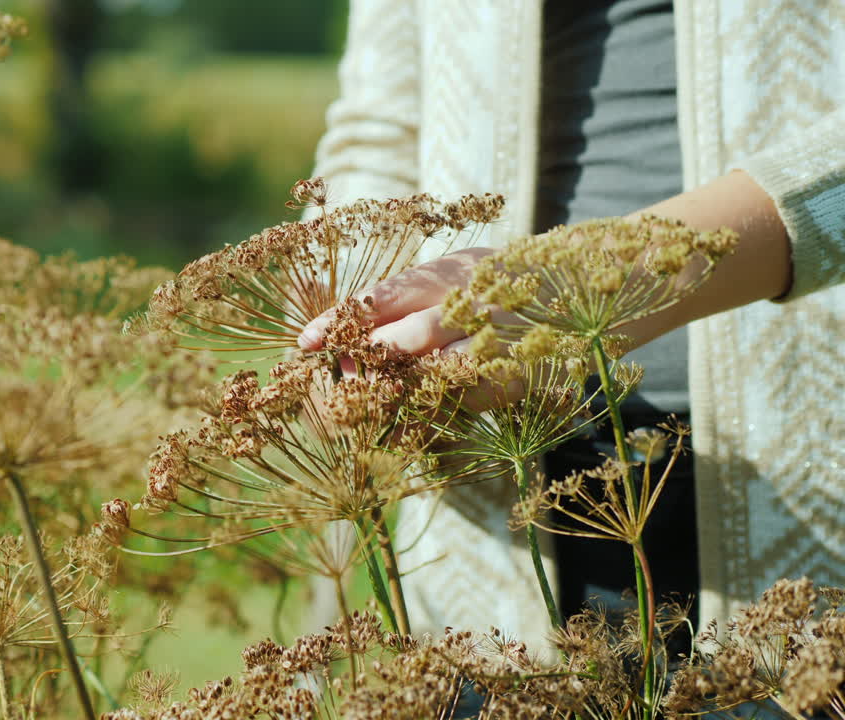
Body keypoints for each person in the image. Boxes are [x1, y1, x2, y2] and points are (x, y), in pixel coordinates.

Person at [298, 0, 845, 647]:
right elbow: (383, 125)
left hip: (812, 488)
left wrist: (585, 280)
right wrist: (356, 325)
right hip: (486, 528)